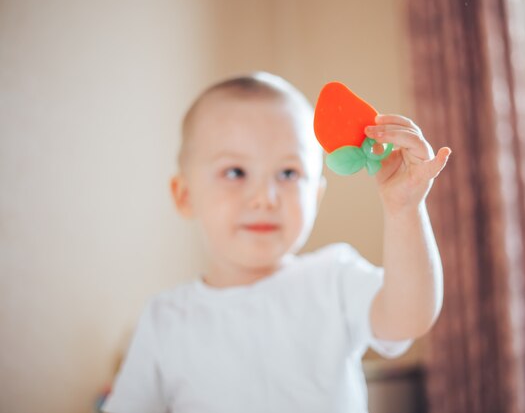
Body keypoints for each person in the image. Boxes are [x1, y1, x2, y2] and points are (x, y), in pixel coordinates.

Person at [103, 72, 451, 413]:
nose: (264, 199)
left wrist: (405, 210)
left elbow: (410, 318)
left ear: (315, 195)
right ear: (184, 196)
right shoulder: (165, 320)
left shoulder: (334, 278)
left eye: (288, 174)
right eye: (235, 172)